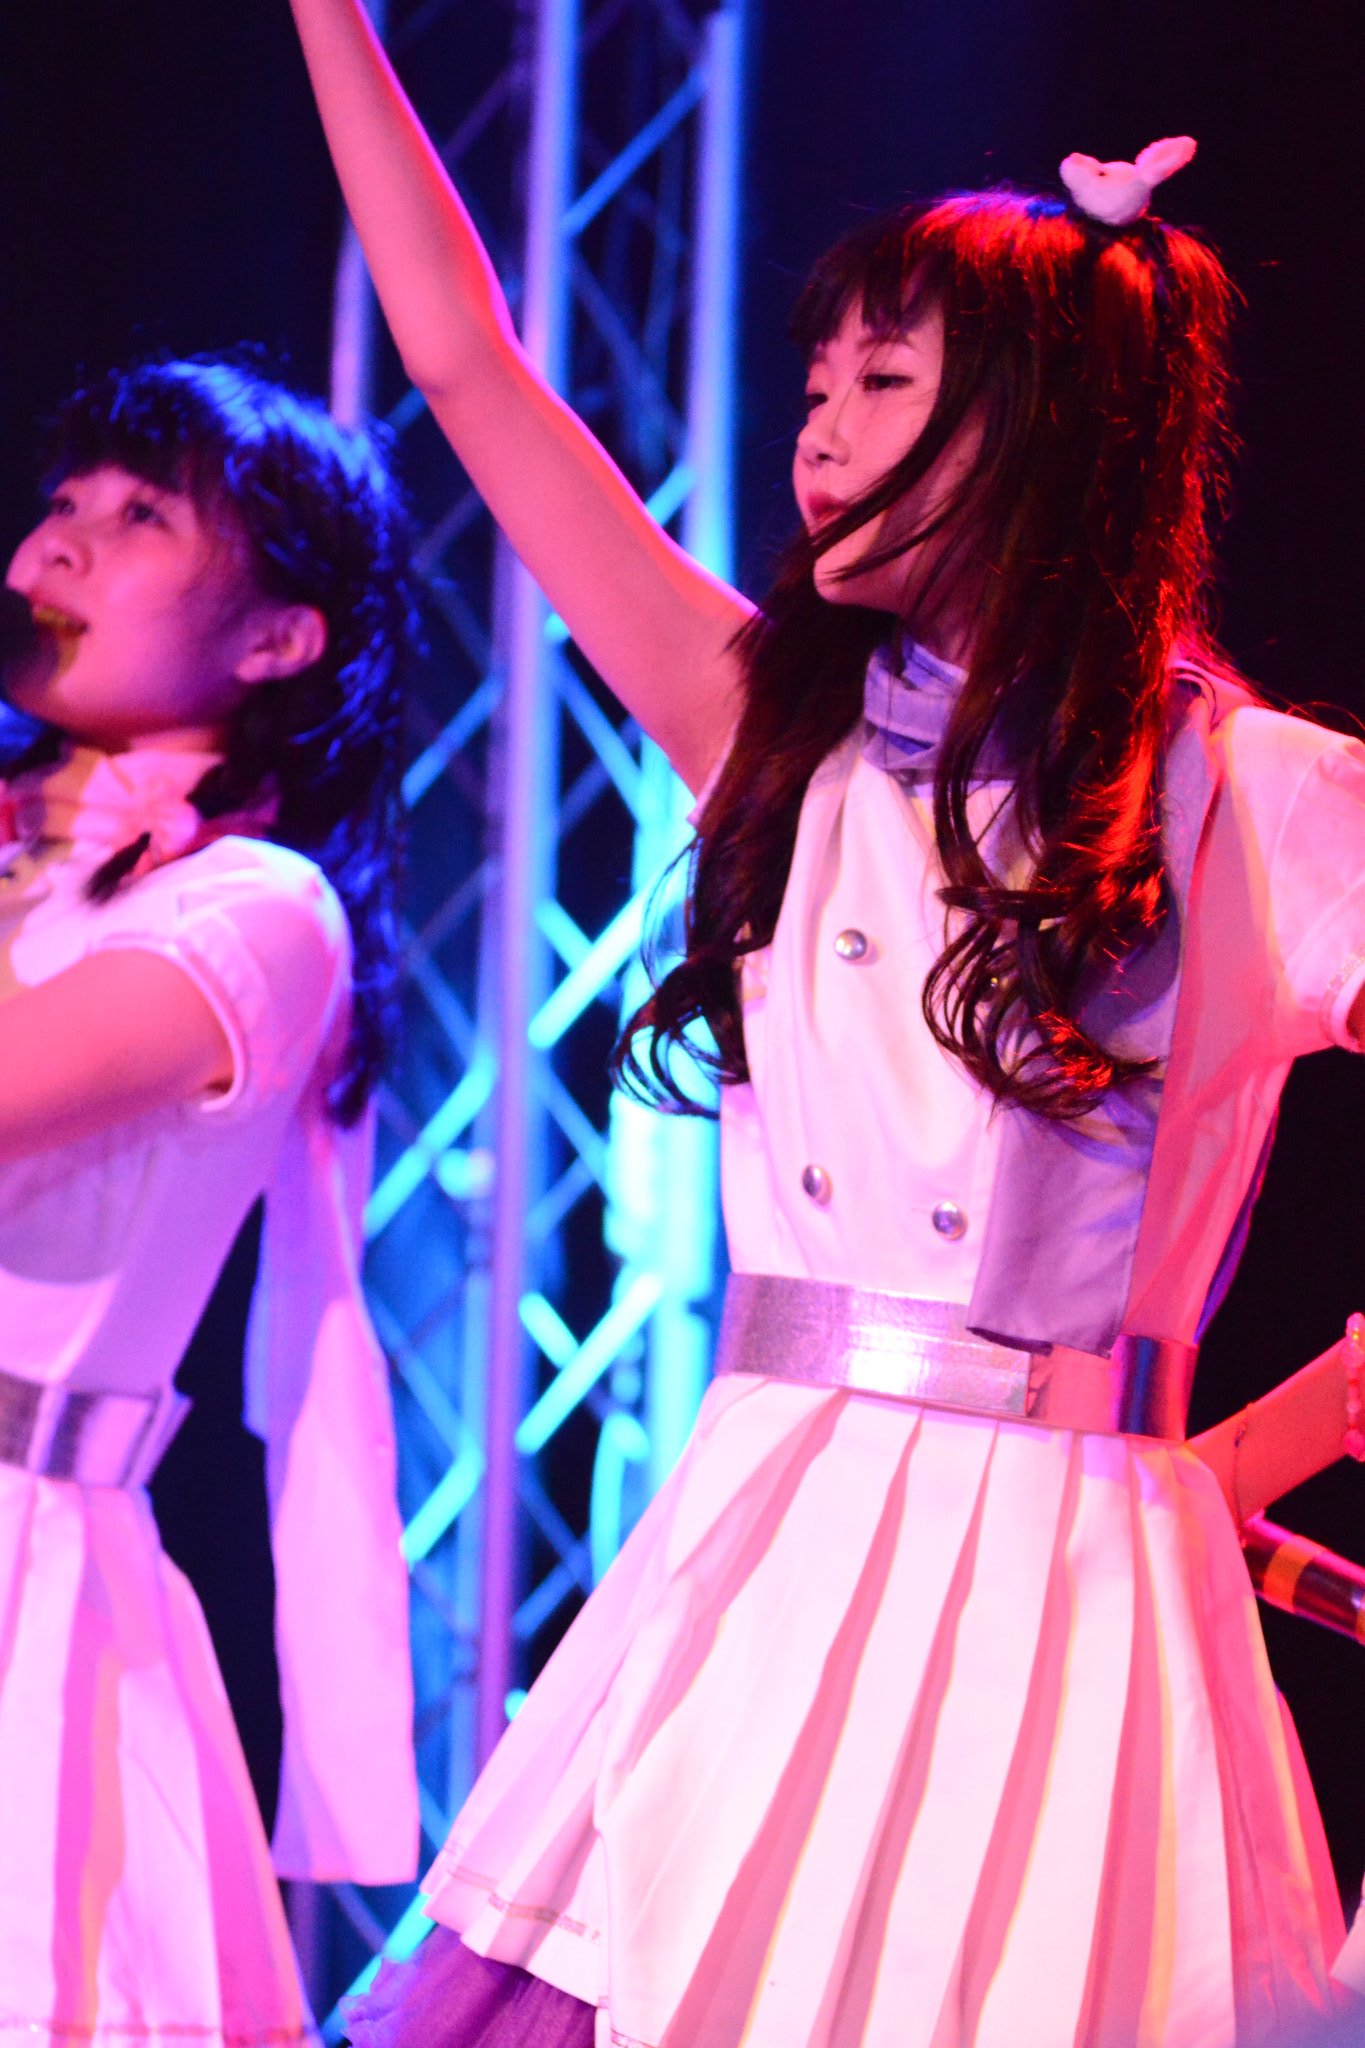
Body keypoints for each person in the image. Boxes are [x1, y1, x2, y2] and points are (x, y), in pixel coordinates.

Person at [285, 5, 1365, 2042]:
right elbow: (462, 363)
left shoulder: (1247, 795)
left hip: (1059, 1590)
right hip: (767, 1542)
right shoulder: (772, 733)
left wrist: (1252, 1442)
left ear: (1045, 431)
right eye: (810, 385)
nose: (817, 431)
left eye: (883, 382)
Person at [0, 357, 421, 2043]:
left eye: (139, 515)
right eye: (63, 502)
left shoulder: (258, 910)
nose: (62, 543)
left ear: (277, 639)